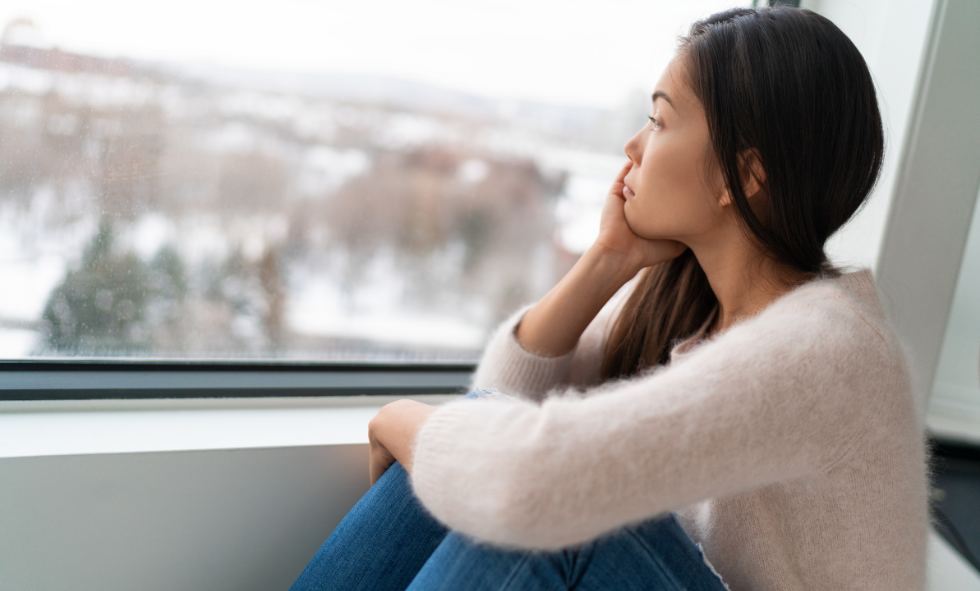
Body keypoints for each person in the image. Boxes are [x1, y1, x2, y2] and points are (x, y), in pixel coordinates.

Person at [291, 6, 928, 591]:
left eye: (659, 120)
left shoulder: (828, 348)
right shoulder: (697, 304)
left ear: (747, 175)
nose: (634, 147)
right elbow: (503, 404)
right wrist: (607, 263)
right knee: (479, 443)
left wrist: (400, 417)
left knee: (551, 509)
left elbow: (522, 481)